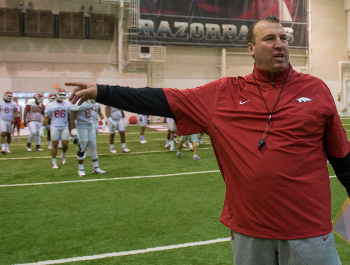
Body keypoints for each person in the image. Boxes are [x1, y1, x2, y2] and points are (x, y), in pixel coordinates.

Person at [67, 16, 350, 265]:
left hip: (309, 229)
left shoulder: (316, 90)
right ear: (251, 49)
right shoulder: (222, 94)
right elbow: (162, 99)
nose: (280, 44)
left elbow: (341, 156)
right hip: (250, 231)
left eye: (283, 38)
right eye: (269, 38)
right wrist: (103, 91)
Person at [70, 100, 106, 177]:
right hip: (82, 127)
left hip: (91, 126)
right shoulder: (79, 102)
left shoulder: (92, 103)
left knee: (93, 146)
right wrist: (74, 131)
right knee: (82, 148)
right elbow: (71, 117)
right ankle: (81, 169)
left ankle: (96, 167)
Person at [42, 88, 73, 169]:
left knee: (65, 144)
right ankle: (54, 162)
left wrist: (73, 128)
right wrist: (42, 128)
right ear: (56, 95)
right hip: (54, 126)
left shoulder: (68, 104)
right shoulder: (50, 105)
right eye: (60, 95)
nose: (62, 97)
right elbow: (46, 118)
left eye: (63, 95)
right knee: (55, 144)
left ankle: (63, 154)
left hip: (64, 126)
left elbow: (71, 117)